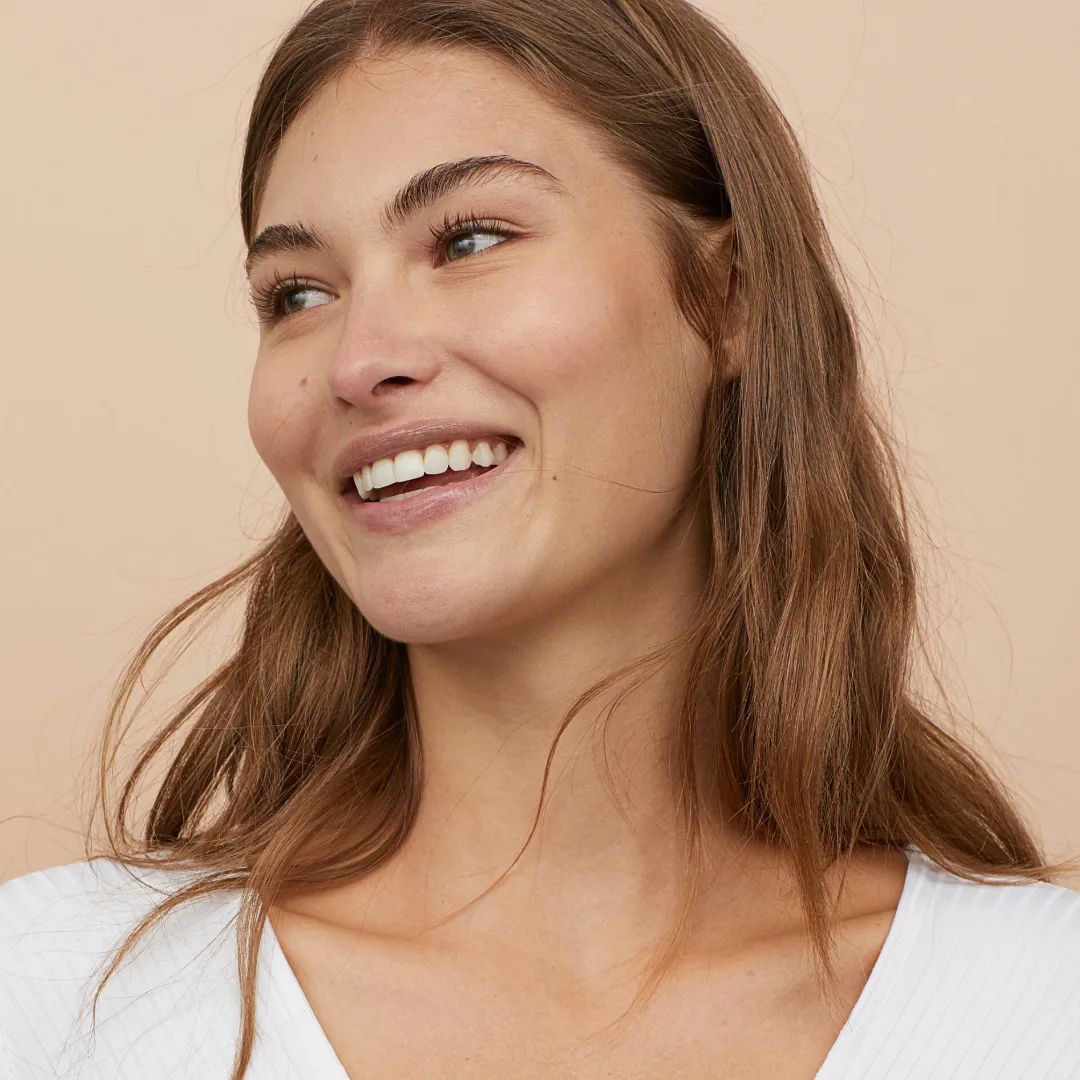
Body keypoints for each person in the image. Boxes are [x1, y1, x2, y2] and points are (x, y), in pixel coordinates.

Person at [3, 1, 1078, 1077]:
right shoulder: (50, 995)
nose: (356, 361)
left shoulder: (1043, 999)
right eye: (297, 294)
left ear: (727, 296)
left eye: (469, 239)